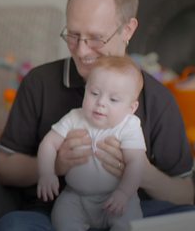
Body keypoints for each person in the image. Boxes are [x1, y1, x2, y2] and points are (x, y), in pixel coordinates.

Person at [0, 0, 195, 231]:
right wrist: (55, 164)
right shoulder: (40, 82)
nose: (82, 50)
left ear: (128, 30)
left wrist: (142, 172)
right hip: (54, 213)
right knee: (13, 226)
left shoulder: (157, 99)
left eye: (96, 38)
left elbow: (185, 194)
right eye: (73, 35)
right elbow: (3, 167)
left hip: (132, 211)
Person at [37, 56, 146, 231]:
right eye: (94, 93)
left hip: (116, 198)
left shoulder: (129, 126)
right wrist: (47, 173)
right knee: (61, 218)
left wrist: (124, 193)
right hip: (75, 197)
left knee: (129, 224)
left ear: (131, 108)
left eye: (114, 99)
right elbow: (48, 144)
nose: (101, 103)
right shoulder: (75, 117)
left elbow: (136, 162)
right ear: (85, 89)